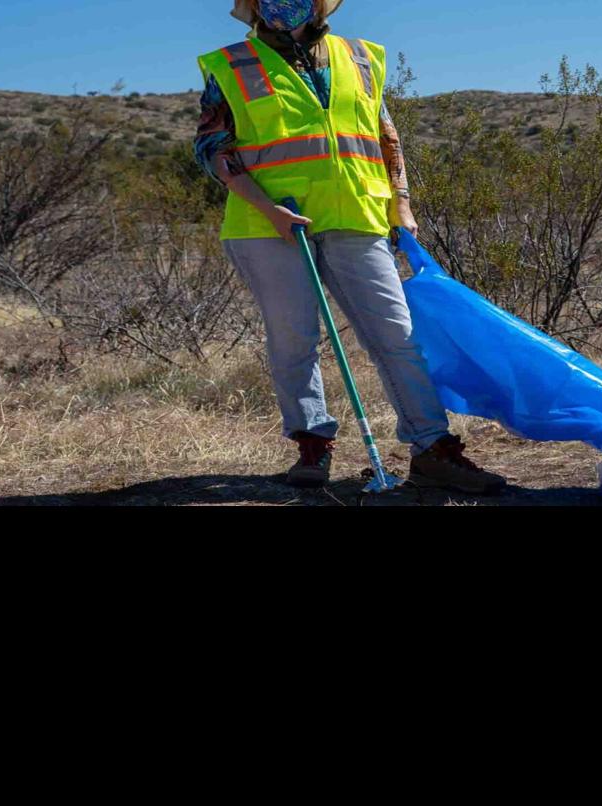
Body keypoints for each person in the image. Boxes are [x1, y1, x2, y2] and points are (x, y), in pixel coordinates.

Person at [195, 0, 505, 492]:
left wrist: (401, 204)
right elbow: (213, 148)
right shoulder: (231, 65)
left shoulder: (360, 57)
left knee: (396, 335)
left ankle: (431, 448)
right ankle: (312, 443)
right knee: (294, 339)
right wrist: (268, 209)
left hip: (357, 216)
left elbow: (385, 136)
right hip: (268, 224)